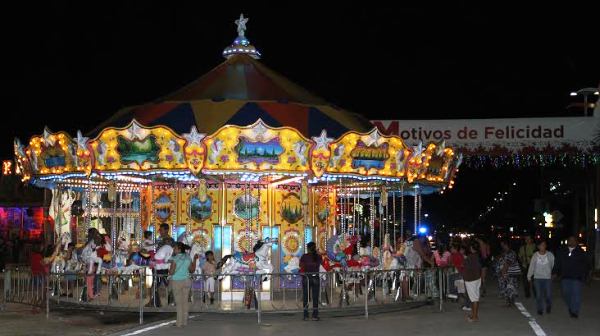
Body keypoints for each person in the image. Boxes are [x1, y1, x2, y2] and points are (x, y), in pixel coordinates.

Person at [554, 236, 591, 318]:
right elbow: (557, 263)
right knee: (565, 294)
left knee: (576, 295)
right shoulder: (562, 251)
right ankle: (571, 307)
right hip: (565, 276)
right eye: (570, 240)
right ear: (567, 242)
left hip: (577, 277)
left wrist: (586, 274)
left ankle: (575, 311)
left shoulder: (581, 252)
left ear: (576, 242)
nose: (571, 242)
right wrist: (555, 272)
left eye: (573, 240)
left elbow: (586, 264)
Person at [169, 242, 197, 327]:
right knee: (185, 302)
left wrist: (169, 271)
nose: (174, 250)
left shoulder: (175, 258)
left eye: (175, 248)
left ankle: (179, 322)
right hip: (186, 281)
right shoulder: (188, 257)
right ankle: (184, 322)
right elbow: (192, 270)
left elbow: (172, 272)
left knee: (179, 303)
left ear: (179, 249)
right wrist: (195, 260)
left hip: (177, 281)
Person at [148, 223, 174, 307]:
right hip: (158, 264)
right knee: (156, 282)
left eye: (161, 229)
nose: (160, 231)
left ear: (166, 230)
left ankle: (169, 300)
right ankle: (155, 300)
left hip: (164, 265)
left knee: (166, 282)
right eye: (160, 229)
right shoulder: (160, 239)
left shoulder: (169, 240)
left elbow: (170, 253)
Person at [527, 240, 554, 315]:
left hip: (547, 278)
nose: (543, 246)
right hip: (537, 278)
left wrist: (552, 274)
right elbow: (532, 266)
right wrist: (529, 277)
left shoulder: (550, 255)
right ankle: (540, 309)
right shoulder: (535, 255)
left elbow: (553, 265)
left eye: (544, 245)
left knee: (548, 295)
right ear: (538, 246)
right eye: (541, 245)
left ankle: (548, 305)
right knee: (538, 295)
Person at [300, 241, 322, 321]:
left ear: (308, 248)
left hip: (306, 277)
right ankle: (315, 316)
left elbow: (301, 265)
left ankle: (305, 315)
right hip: (315, 277)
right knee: (315, 297)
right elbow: (320, 264)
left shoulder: (304, 256)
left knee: (306, 296)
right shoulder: (318, 256)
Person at [497, 239, 520, 306]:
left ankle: (510, 301)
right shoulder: (505, 252)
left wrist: (503, 271)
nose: (502, 246)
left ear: (506, 245)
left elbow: (508, 263)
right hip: (506, 272)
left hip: (509, 272)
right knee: (508, 287)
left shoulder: (511, 253)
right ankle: (509, 301)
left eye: (503, 245)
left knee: (510, 286)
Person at [463, 241, 482, 322]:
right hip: (477, 278)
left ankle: (474, 317)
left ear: (471, 248)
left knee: (473, 299)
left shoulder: (470, 257)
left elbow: (466, 267)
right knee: (476, 297)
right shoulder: (478, 256)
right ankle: (475, 315)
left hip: (471, 279)